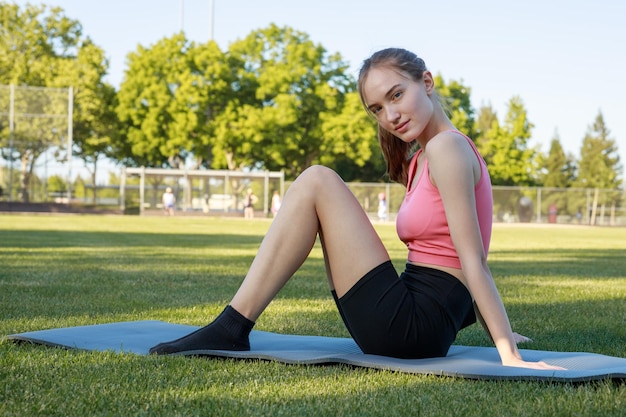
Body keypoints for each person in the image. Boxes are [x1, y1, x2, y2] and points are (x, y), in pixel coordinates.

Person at [150, 48, 564, 370]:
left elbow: (472, 258)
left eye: (396, 95)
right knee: (317, 183)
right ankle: (231, 327)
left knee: (316, 180)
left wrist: (506, 350)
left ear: (428, 82)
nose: (391, 115)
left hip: (412, 329)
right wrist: (495, 326)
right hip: (417, 321)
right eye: (378, 109)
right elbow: (450, 255)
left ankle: (231, 328)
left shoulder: (448, 148)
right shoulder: (423, 157)